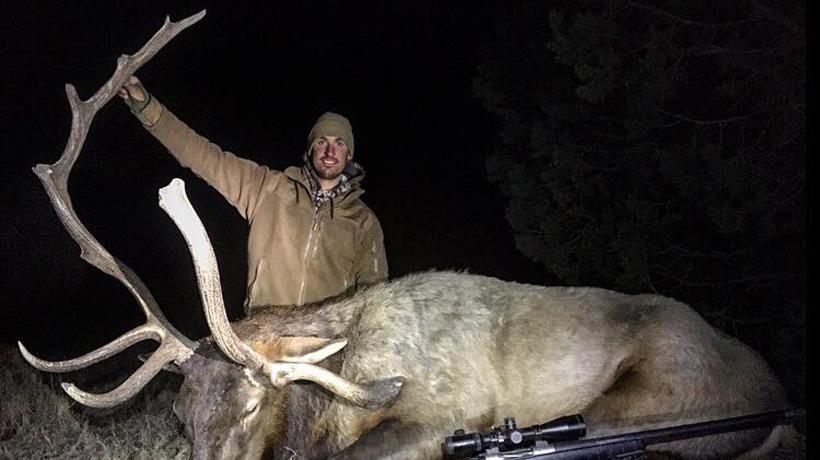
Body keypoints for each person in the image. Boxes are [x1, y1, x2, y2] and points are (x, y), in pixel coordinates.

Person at [119, 76, 388, 314]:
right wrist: (148, 108)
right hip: (263, 341)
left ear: (348, 154)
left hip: (324, 353)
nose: (330, 152)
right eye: (322, 142)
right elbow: (204, 156)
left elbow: (376, 304)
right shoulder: (267, 188)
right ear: (310, 150)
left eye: (339, 143)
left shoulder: (363, 222)